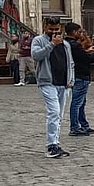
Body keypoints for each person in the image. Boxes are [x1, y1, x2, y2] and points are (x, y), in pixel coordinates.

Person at [31, 21, 74, 159]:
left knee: (59, 115)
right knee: (54, 112)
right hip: (47, 82)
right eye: (51, 29)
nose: (54, 32)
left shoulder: (65, 44)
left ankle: (56, 142)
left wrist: (71, 79)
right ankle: (51, 146)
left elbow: (70, 63)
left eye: (56, 29)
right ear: (45, 27)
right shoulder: (38, 40)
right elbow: (36, 56)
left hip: (63, 83)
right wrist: (51, 45)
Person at [63, 23, 94, 138]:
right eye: (78, 31)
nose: (79, 33)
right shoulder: (74, 45)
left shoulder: (66, 44)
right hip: (80, 75)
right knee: (77, 102)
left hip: (76, 75)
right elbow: (86, 59)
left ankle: (84, 125)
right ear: (73, 32)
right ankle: (75, 127)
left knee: (81, 102)